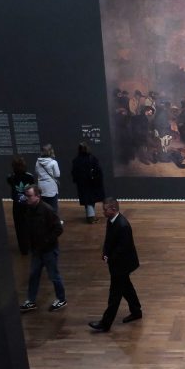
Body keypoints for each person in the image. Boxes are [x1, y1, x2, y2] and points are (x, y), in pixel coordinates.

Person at [89, 198, 142, 332]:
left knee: (114, 295)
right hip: (117, 264)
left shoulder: (123, 225)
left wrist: (110, 258)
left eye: (105, 210)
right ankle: (136, 311)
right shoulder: (111, 221)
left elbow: (123, 248)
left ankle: (105, 323)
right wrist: (105, 253)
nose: (103, 212)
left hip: (122, 265)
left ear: (113, 209)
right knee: (126, 288)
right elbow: (108, 240)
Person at [19, 185, 67, 311]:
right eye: (26, 195)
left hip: (49, 250)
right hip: (37, 250)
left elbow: (58, 228)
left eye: (29, 196)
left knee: (54, 275)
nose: (27, 198)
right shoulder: (29, 209)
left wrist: (46, 241)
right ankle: (31, 301)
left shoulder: (47, 210)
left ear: (38, 196)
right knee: (33, 275)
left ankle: (61, 299)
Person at [6, 156, 34, 255]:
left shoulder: (11, 177)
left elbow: (9, 181)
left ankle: (23, 248)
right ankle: (31, 245)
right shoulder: (30, 176)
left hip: (17, 204)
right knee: (29, 224)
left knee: (19, 226)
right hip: (28, 203)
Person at [71, 142, 105, 223]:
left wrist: (77, 180)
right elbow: (98, 171)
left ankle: (90, 216)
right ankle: (91, 217)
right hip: (91, 183)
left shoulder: (76, 160)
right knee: (90, 200)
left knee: (87, 200)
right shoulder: (92, 159)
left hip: (82, 184)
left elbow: (74, 173)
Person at [35, 144, 61, 215]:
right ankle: (54, 221)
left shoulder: (37, 162)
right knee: (53, 206)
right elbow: (57, 174)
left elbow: (36, 172)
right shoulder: (53, 162)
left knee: (43, 207)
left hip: (41, 186)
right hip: (51, 187)